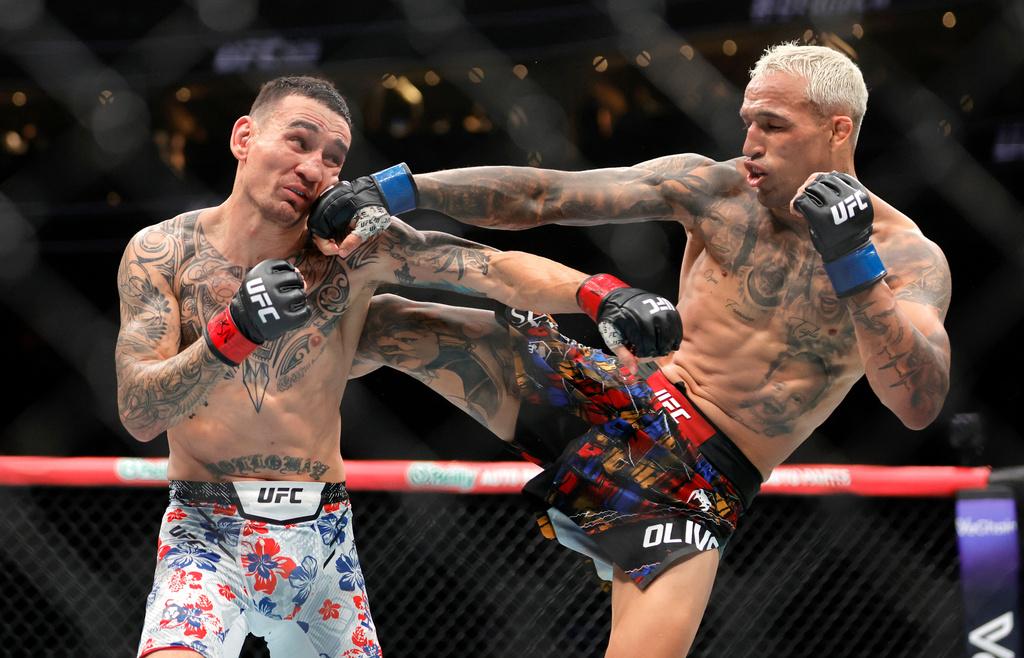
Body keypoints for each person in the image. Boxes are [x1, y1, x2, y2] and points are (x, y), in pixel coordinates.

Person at [310, 42, 953, 657]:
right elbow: (546, 195)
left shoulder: (904, 256)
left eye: (774, 126)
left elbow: (918, 403)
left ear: (838, 130)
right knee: (393, 322)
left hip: (702, 476)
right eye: (748, 122)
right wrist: (403, 189)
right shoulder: (717, 189)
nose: (751, 143)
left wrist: (854, 264)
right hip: (625, 397)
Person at [114, 75, 682, 658]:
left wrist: (600, 293)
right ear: (244, 138)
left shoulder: (353, 250)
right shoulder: (162, 252)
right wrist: (232, 332)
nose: (313, 169)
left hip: (322, 536)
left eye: (333, 159)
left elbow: (487, 268)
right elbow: (138, 411)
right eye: (298, 142)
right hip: (206, 530)